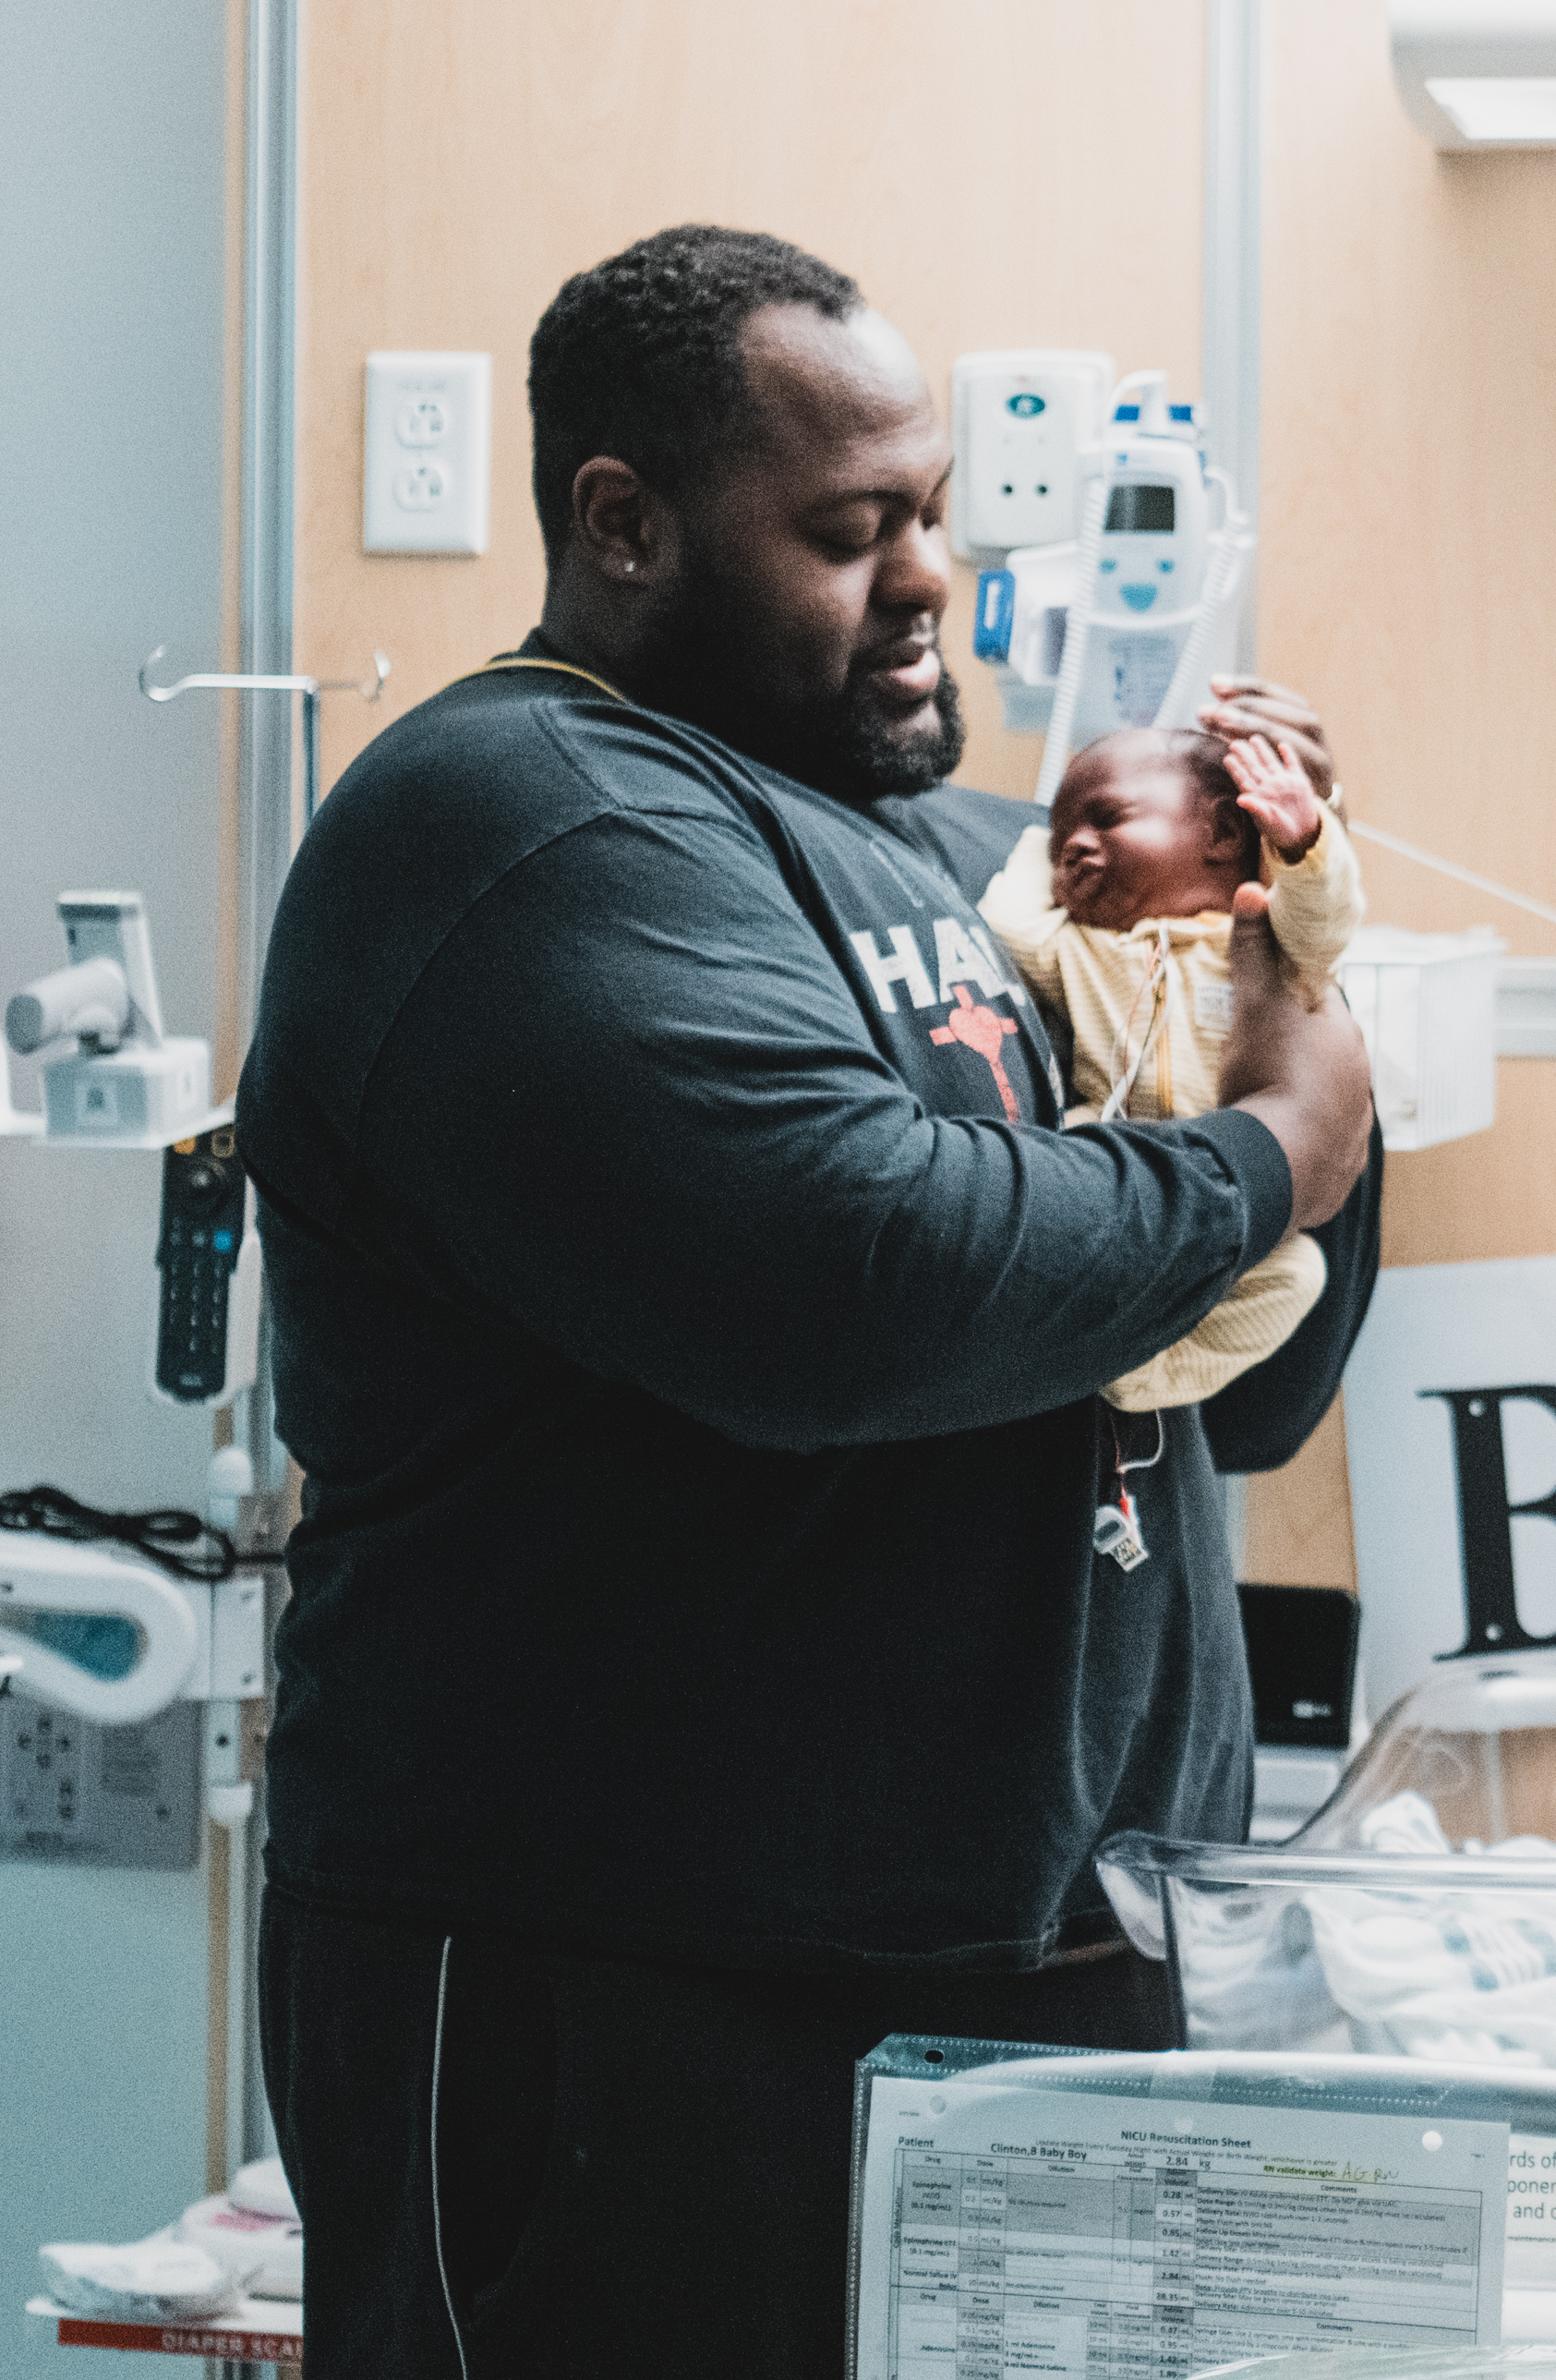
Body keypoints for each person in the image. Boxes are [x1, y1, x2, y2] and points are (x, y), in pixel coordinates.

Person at [238, 224, 1377, 2379]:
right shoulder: (529, 827)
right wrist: (1260, 1150)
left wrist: (1271, 978)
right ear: (625, 523)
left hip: (1040, 1970)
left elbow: (1239, 1385)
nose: (929, 576)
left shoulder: (955, 862)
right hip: (645, 2008)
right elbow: (860, 1284)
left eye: (935, 512)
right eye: (850, 530)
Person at [981, 720, 1369, 1411]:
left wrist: (1305, 844)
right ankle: (1071, 1318)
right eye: (1062, 835)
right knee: (1048, 1150)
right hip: (1108, 1159)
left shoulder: (1265, 938)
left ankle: (1141, 1374)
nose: (1075, 844)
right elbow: (1007, 924)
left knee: (1298, 1274)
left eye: (1106, 818)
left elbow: (1325, 922)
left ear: (1222, 834)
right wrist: (1040, 839)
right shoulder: (1082, 950)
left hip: (1225, 1196)